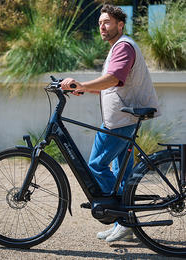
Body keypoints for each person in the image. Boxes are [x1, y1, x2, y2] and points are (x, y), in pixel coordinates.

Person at [61, 4, 159, 242]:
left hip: (121, 120)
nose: (102, 27)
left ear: (120, 25)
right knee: (122, 173)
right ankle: (125, 224)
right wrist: (85, 90)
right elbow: (114, 85)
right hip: (122, 117)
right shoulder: (118, 46)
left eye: (107, 22)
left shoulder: (123, 46)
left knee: (95, 165)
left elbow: (114, 78)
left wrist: (83, 85)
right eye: (99, 23)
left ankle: (123, 219)